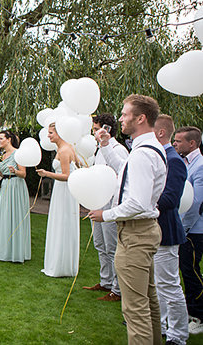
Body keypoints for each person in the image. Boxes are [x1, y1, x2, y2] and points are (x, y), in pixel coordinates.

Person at [89, 94, 167, 344]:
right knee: (148, 300)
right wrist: (104, 145)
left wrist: (106, 215)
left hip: (136, 233)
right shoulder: (144, 149)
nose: (120, 118)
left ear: (141, 118)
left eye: (125, 114)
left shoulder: (144, 153)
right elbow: (123, 170)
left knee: (135, 310)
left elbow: (138, 203)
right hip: (143, 230)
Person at [152, 115, 189, 344]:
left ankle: (178, 336)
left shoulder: (173, 160)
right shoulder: (160, 156)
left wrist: (142, 205)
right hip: (154, 230)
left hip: (166, 230)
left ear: (161, 132)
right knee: (158, 285)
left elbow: (171, 199)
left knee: (170, 286)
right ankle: (163, 326)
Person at [83, 113, 128, 301]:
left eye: (95, 129)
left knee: (112, 246)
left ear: (106, 129)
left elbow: (122, 174)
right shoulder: (99, 150)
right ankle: (105, 281)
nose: (93, 133)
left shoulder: (118, 150)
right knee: (99, 244)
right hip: (98, 201)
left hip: (110, 203)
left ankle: (117, 289)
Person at [37, 122, 80, 277]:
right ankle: (63, 263)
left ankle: (61, 265)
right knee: (62, 223)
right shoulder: (67, 147)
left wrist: (46, 174)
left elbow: (67, 176)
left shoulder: (64, 150)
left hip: (64, 190)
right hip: (62, 190)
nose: (48, 135)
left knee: (62, 222)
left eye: (50, 133)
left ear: (59, 133)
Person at [173, 126, 203, 335]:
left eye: (179, 141)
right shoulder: (185, 162)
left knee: (191, 271)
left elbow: (196, 202)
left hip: (193, 231)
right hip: (185, 227)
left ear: (192, 143)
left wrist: (183, 229)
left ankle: (198, 315)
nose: (175, 144)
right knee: (184, 270)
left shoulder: (200, 166)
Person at [0, 130, 31, 263]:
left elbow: (23, 174)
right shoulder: (4, 155)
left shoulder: (18, 154)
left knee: (16, 216)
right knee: (6, 216)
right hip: (6, 186)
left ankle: (18, 252)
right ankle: (6, 251)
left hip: (16, 186)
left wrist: (15, 171)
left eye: (1, 138)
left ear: (9, 139)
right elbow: (2, 174)